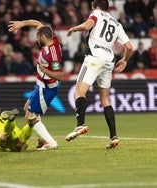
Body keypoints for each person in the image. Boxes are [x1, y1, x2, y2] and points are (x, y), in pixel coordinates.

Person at [65, 0, 133, 149]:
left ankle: (80, 124)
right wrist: (125, 60)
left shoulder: (96, 14)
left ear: (94, 5)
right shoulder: (116, 23)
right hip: (109, 61)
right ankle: (113, 136)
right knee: (105, 99)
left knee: (79, 92)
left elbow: (88, 25)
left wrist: (74, 28)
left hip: (94, 57)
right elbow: (129, 46)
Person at [8, 19, 63, 150]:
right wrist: (22, 23)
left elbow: (59, 75)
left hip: (47, 88)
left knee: (30, 116)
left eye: (38, 37)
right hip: (40, 85)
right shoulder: (51, 38)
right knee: (27, 108)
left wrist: (45, 70)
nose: (36, 39)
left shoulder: (53, 54)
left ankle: (50, 142)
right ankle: (42, 139)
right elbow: (38, 23)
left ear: (43, 37)